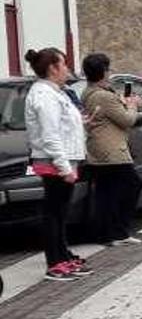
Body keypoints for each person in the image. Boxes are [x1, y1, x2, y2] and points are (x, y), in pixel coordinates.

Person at [24, 48, 93, 281]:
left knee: (60, 213)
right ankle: (55, 262)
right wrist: (64, 168)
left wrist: (80, 122)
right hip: (54, 163)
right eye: (63, 64)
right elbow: (50, 135)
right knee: (54, 213)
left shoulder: (56, 92)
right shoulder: (44, 95)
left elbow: (61, 126)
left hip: (62, 159)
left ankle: (63, 254)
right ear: (53, 68)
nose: (67, 69)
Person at [81, 53, 142, 247]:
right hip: (112, 151)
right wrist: (133, 107)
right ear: (102, 72)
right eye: (108, 69)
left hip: (98, 150)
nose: (110, 73)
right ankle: (120, 230)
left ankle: (107, 233)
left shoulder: (89, 92)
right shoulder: (103, 96)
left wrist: (122, 104)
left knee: (106, 192)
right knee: (133, 185)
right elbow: (126, 120)